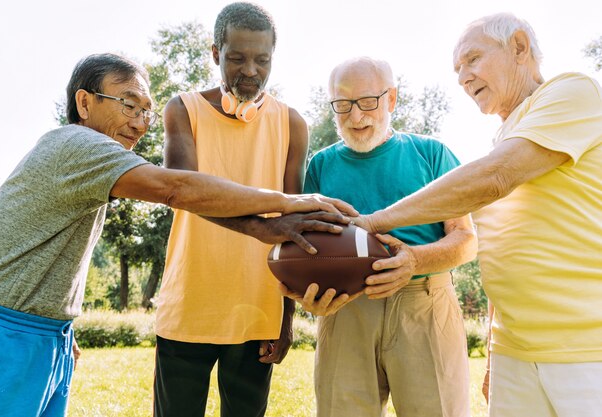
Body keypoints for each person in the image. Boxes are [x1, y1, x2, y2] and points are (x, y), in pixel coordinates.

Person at [0, 52, 355, 417]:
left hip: (42, 332)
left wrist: (60, 326)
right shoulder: (78, 145)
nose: (140, 123)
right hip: (3, 331)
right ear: (85, 102)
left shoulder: (90, 161)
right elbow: (177, 189)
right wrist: (288, 203)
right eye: (128, 105)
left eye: (146, 111)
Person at [353, 13, 602, 417]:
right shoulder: (504, 137)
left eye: (472, 60)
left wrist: (374, 221)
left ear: (519, 47)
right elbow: (503, 253)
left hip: (585, 352)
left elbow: (495, 177)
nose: (462, 77)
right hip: (515, 353)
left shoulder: (574, 92)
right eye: (457, 69)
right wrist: (492, 350)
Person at [283, 56, 478, 417]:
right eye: (343, 105)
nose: (356, 117)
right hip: (344, 309)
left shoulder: (432, 154)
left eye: (367, 102)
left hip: (423, 304)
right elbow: (304, 246)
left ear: (391, 100)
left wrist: (416, 260)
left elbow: (466, 240)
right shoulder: (321, 166)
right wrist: (305, 292)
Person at [152, 3, 315, 417]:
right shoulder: (182, 110)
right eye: (237, 58)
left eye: (262, 60)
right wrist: (257, 227)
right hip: (189, 303)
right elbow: (182, 191)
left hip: (258, 308)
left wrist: (286, 316)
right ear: (215, 54)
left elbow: (292, 229)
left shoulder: (292, 123)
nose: (250, 71)